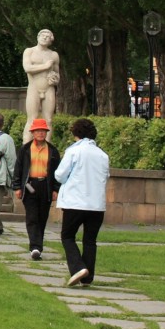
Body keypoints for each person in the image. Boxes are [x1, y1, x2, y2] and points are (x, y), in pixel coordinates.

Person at [54, 117, 110, 287]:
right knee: (90, 240)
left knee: (67, 236)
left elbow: (60, 175)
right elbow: (106, 176)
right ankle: (87, 277)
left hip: (75, 202)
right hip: (96, 205)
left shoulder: (74, 151)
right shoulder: (102, 155)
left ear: (75, 133)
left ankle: (78, 267)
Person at [13, 116, 61, 260]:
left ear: (46, 132)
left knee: (42, 217)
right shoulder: (25, 149)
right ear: (33, 132)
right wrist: (17, 187)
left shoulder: (53, 150)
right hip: (30, 185)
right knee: (32, 216)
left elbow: (57, 172)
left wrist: (55, 189)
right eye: (38, 131)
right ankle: (35, 247)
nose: (40, 133)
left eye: (43, 131)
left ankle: (37, 245)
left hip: (45, 186)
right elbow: (18, 169)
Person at [22, 29, 61, 142]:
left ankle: (47, 147)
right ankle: (26, 146)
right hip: (34, 87)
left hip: (49, 88)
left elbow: (57, 74)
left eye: (47, 37)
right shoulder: (29, 51)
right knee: (32, 119)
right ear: (38, 37)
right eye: (42, 35)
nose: (44, 37)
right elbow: (27, 68)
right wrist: (45, 66)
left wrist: (55, 79)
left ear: (50, 41)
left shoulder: (54, 55)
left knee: (48, 120)